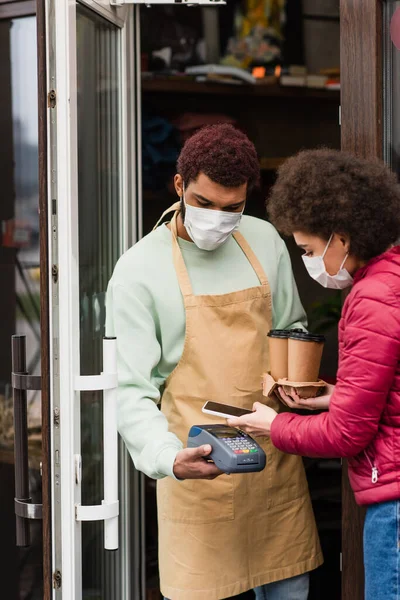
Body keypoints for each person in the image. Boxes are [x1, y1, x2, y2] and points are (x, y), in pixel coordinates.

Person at [106, 124, 322, 600]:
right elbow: (131, 390)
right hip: (197, 478)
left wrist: (296, 382)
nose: (217, 219)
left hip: (274, 475)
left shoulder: (264, 240)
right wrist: (167, 458)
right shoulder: (139, 270)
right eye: (204, 204)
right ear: (180, 186)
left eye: (233, 209)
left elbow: (292, 329)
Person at [228, 148, 400, 600]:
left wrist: (273, 424)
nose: (306, 259)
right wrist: (334, 396)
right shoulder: (392, 280)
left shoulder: (371, 299)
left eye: (307, 249)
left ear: (340, 238)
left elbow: (346, 436)